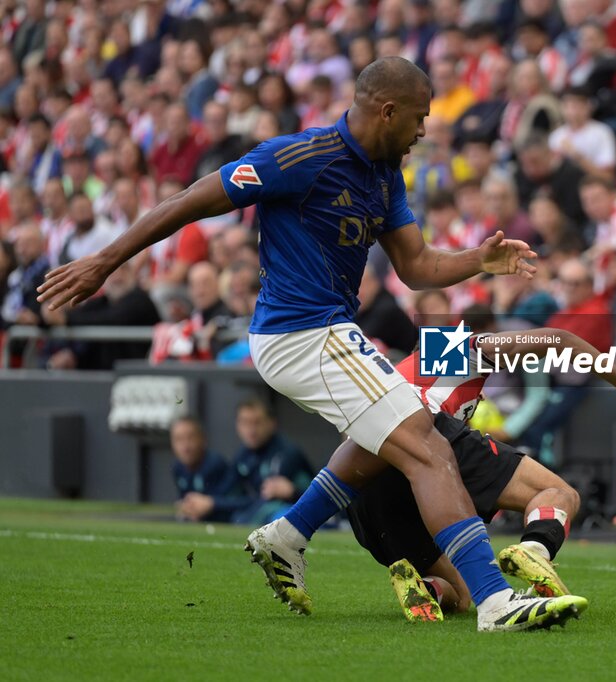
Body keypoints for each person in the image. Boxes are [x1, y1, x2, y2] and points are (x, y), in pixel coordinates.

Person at [37, 57, 585, 632]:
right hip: (299, 333)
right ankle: (496, 603)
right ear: (388, 110)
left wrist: (479, 260)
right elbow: (189, 202)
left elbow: (417, 267)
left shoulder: (383, 176)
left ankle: (287, 535)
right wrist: (105, 260)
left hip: (326, 332)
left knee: (396, 441)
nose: (424, 130)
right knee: (429, 448)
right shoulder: (296, 157)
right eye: (420, 117)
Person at [342, 327, 616, 620]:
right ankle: (535, 548)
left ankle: (425, 587)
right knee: (558, 493)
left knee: (460, 596)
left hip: (365, 492)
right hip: (426, 432)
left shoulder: (390, 375)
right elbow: (558, 340)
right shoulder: (452, 349)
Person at [179, 399, 314, 526]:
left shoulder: (285, 453)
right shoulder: (243, 455)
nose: (251, 430)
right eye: (245, 422)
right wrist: (203, 504)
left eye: (257, 422)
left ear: (272, 423)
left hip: (300, 511)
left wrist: (293, 492)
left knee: (270, 515)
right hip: (262, 509)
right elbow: (227, 493)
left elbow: (264, 499)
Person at [170, 416, 236, 523]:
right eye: (179, 439)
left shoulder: (215, 464)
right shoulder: (177, 468)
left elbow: (233, 502)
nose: (185, 446)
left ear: (203, 439)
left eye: (190, 438)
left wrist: (210, 503)